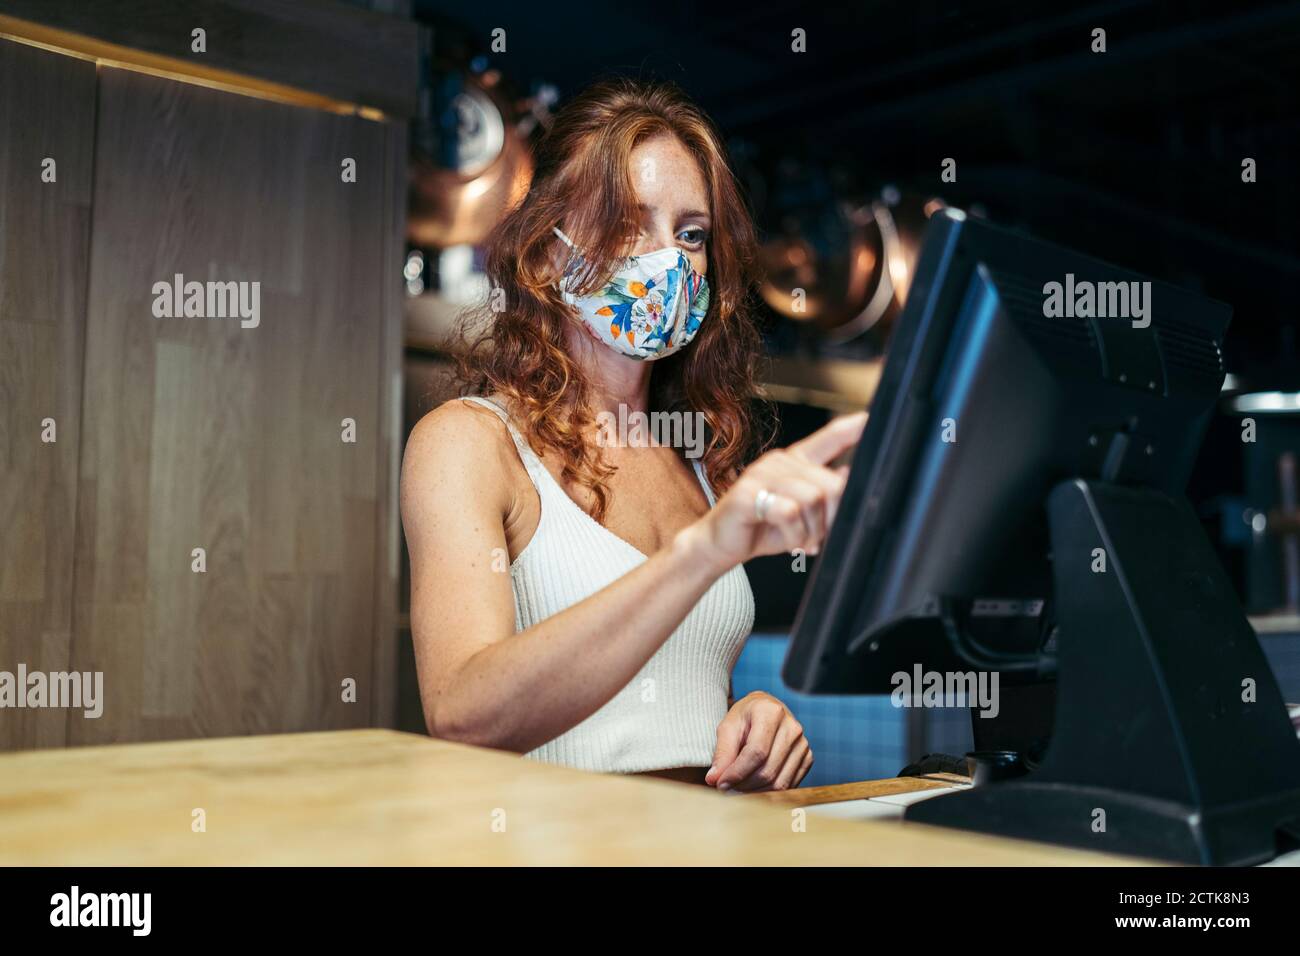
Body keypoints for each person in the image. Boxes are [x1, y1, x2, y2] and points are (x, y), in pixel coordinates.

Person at [400, 78, 866, 791]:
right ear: (548, 252)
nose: (669, 261)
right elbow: (463, 713)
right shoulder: (470, 444)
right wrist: (705, 550)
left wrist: (751, 717)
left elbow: (661, 697)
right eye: (628, 224)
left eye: (691, 234)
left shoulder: (700, 465)